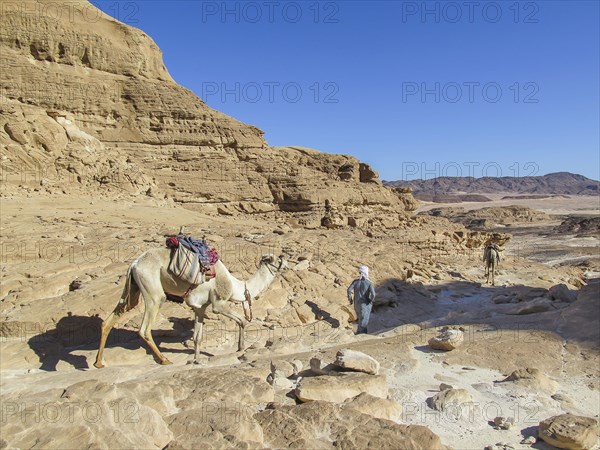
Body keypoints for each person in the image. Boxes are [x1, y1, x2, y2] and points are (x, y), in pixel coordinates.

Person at [347, 265, 376, 334]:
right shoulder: (369, 283)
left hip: (356, 304)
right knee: (364, 322)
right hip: (365, 304)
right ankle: (362, 336)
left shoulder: (355, 282)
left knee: (360, 319)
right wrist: (371, 301)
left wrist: (350, 299)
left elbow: (349, 290)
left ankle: (358, 333)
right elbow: (373, 294)